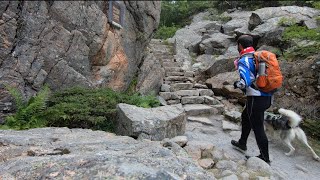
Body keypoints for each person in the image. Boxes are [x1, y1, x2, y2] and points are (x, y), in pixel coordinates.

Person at [231, 34, 273, 164]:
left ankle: (265, 157)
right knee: (245, 116)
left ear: (240, 46)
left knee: (258, 127)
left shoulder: (244, 60)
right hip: (267, 96)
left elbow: (246, 82)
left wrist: (236, 84)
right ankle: (242, 142)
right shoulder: (259, 57)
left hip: (256, 98)